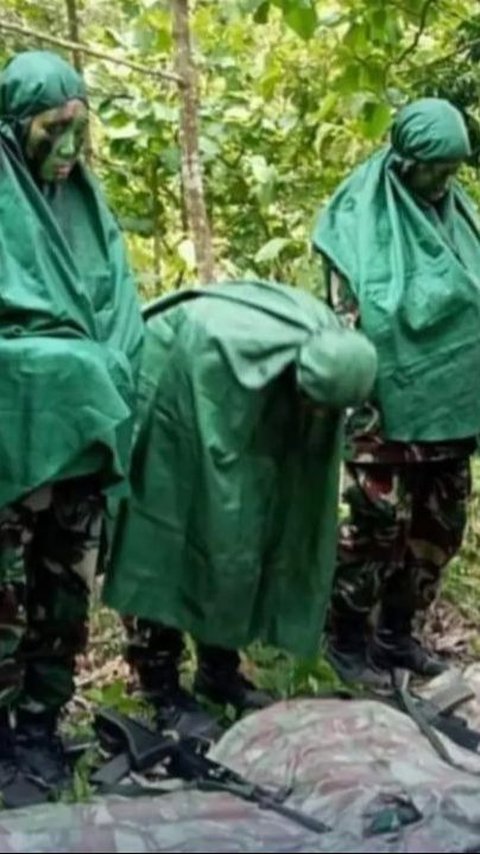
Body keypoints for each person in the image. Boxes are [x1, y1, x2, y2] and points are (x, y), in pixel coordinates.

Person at [103, 280, 377, 740]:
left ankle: (218, 668)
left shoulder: (332, 347)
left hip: (238, 391)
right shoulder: (217, 343)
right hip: (175, 380)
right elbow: (219, 462)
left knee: (241, 534)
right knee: (168, 534)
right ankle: (160, 685)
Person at [0, 50, 143, 801]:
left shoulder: (88, 207)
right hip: (15, 445)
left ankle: (40, 726)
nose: (65, 149)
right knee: (5, 598)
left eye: (76, 130)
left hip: (81, 448)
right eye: (48, 131)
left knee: (64, 595)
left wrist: (105, 370)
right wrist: (58, 365)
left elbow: (118, 311)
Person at [313, 98, 480, 687]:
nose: (444, 181)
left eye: (453, 170)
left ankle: (397, 636)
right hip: (382, 405)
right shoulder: (357, 217)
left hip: (450, 405)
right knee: (373, 525)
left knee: (439, 525)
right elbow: (348, 319)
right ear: (405, 160)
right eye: (434, 169)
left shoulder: (459, 215)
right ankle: (347, 637)